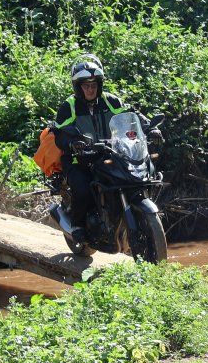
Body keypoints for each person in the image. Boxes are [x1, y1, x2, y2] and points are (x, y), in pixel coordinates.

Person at [52, 54, 159, 242]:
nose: (90, 89)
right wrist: (72, 142)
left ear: (99, 85)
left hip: (110, 153)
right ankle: (77, 225)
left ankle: (119, 216)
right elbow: (59, 133)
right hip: (79, 159)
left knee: (131, 179)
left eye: (94, 85)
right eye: (86, 86)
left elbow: (132, 114)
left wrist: (150, 127)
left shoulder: (111, 101)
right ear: (78, 87)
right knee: (83, 188)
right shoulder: (70, 106)